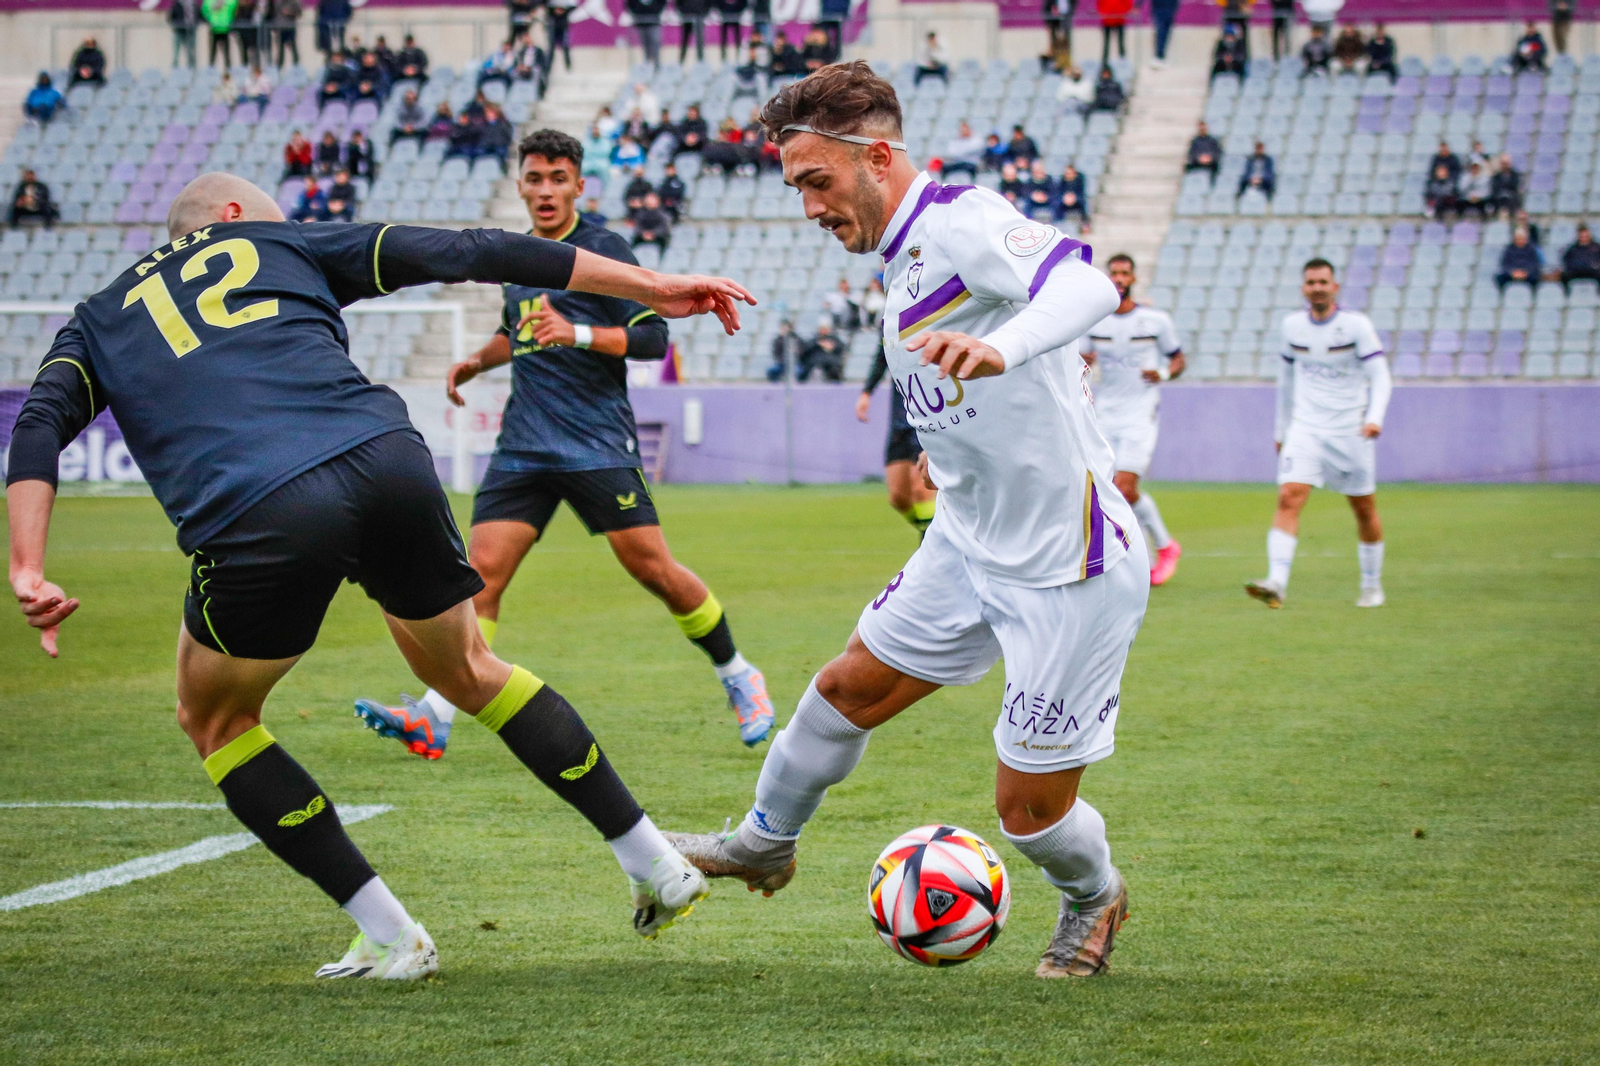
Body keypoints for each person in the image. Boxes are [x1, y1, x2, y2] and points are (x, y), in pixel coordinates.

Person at [7, 171, 754, 978]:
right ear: (230, 220)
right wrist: (653, 284)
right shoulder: (283, 243)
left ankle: (393, 938)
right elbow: (475, 250)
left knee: (215, 720)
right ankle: (652, 860)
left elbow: (39, 423)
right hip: (385, 459)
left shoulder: (96, 321)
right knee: (472, 668)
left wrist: (28, 566)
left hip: (260, 508)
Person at [665, 61, 1144, 984]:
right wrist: (947, 446)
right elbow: (960, 375)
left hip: (1066, 566)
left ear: (879, 157)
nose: (809, 206)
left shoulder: (961, 218)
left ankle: (1095, 897)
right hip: (967, 538)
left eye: (818, 181)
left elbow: (1084, 284)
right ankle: (765, 844)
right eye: (797, 185)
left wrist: (999, 351)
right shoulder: (900, 255)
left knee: (1029, 814)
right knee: (846, 687)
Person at [355, 130, 772, 755]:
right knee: (479, 577)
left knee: (653, 570)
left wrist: (575, 332)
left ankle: (740, 675)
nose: (545, 190)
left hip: (595, 442)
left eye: (558, 178)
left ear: (580, 184)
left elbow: (654, 342)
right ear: (519, 184)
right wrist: (475, 362)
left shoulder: (604, 249)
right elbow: (519, 331)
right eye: (534, 178)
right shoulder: (515, 255)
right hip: (524, 442)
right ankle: (436, 714)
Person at [1247, 258, 1389, 610]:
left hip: (1350, 430)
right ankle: (1277, 582)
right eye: (1311, 282)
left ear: (1335, 287)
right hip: (1306, 429)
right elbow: (1286, 382)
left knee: (1363, 508)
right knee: (1288, 497)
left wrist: (1374, 418)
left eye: (1323, 282)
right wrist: (1281, 430)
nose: (1317, 288)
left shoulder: (1356, 326)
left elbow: (1381, 375)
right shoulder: (1292, 326)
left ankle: (1372, 585)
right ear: (1303, 288)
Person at [1081, 255, 1184, 586]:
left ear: (1134, 278)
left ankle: (1159, 549)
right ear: (1108, 278)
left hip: (1141, 413)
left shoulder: (1155, 321)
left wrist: (1164, 372)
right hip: (1105, 413)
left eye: (1125, 273)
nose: (1120, 278)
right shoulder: (1095, 321)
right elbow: (1078, 359)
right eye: (1115, 273)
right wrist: (1083, 359)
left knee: (1124, 487)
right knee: (1109, 489)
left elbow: (1179, 358)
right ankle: (1155, 551)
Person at [856, 341, 937, 536]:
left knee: (922, 491)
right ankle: (936, 535)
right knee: (898, 497)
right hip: (900, 418)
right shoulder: (891, 318)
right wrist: (867, 392)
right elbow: (882, 354)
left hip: (929, 413)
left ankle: (930, 554)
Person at [1495, 228, 1543, 293]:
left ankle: (1532, 297)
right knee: (1499, 278)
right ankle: (1503, 296)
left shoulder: (1531, 249)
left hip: (1527, 274)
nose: (1520, 240)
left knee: (1536, 277)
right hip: (1512, 273)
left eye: (1522, 238)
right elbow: (1505, 264)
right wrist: (1512, 273)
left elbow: (1534, 264)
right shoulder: (1509, 249)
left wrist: (1525, 273)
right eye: (1518, 238)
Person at [1560, 224, 1600, 294]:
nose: (1584, 238)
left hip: (1592, 271)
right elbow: (1566, 260)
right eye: (1582, 236)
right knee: (1564, 276)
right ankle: (1567, 296)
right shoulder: (1572, 248)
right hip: (1576, 271)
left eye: (1586, 236)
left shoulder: (1597, 247)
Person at [628, 0, 667, 68]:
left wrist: (655, 10)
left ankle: (657, 65)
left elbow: (662, 3)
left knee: (655, 43)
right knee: (645, 45)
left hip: (654, 20)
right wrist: (637, 12)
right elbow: (630, 4)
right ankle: (647, 65)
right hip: (641, 20)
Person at [1054, 162, 1090, 229]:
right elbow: (1059, 192)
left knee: (1083, 203)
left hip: (1077, 198)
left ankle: (1085, 225)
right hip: (1065, 199)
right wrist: (1065, 198)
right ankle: (1058, 223)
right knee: (1057, 203)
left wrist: (1074, 197)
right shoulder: (1062, 179)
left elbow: (1081, 191)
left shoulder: (1080, 179)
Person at [480, 104, 514, 170]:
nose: (489, 115)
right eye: (487, 113)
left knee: (500, 152)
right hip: (488, 147)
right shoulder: (484, 126)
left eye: (491, 113)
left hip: (499, 146)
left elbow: (507, 136)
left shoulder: (503, 124)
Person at [202, 0, 236, 66]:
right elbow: (204, 10)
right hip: (214, 28)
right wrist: (210, 19)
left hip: (225, 27)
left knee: (227, 51)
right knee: (213, 51)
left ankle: (228, 66)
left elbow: (234, 6)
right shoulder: (209, 1)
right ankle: (211, 67)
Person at [171, 0, 200, 69]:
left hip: (190, 31)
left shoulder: (193, 4)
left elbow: (198, 16)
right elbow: (171, 17)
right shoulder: (177, 4)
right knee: (176, 52)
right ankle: (175, 69)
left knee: (191, 51)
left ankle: (192, 69)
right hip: (179, 31)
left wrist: (195, 24)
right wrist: (177, 24)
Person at [1151, 0, 1179, 66]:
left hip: (1170, 7)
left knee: (1165, 32)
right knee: (1161, 31)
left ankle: (1161, 55)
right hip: (1159, 7)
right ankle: (1159, 55)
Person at [274, 0, 301, 67]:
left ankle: (296, 66)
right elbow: (275, 16)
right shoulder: (278, 4)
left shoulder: (294, 3)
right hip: (281, 29)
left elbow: (299, 13)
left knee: (293, 48)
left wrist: (290, 13)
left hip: (290, 28)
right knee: (280, 50)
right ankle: (279, 67)